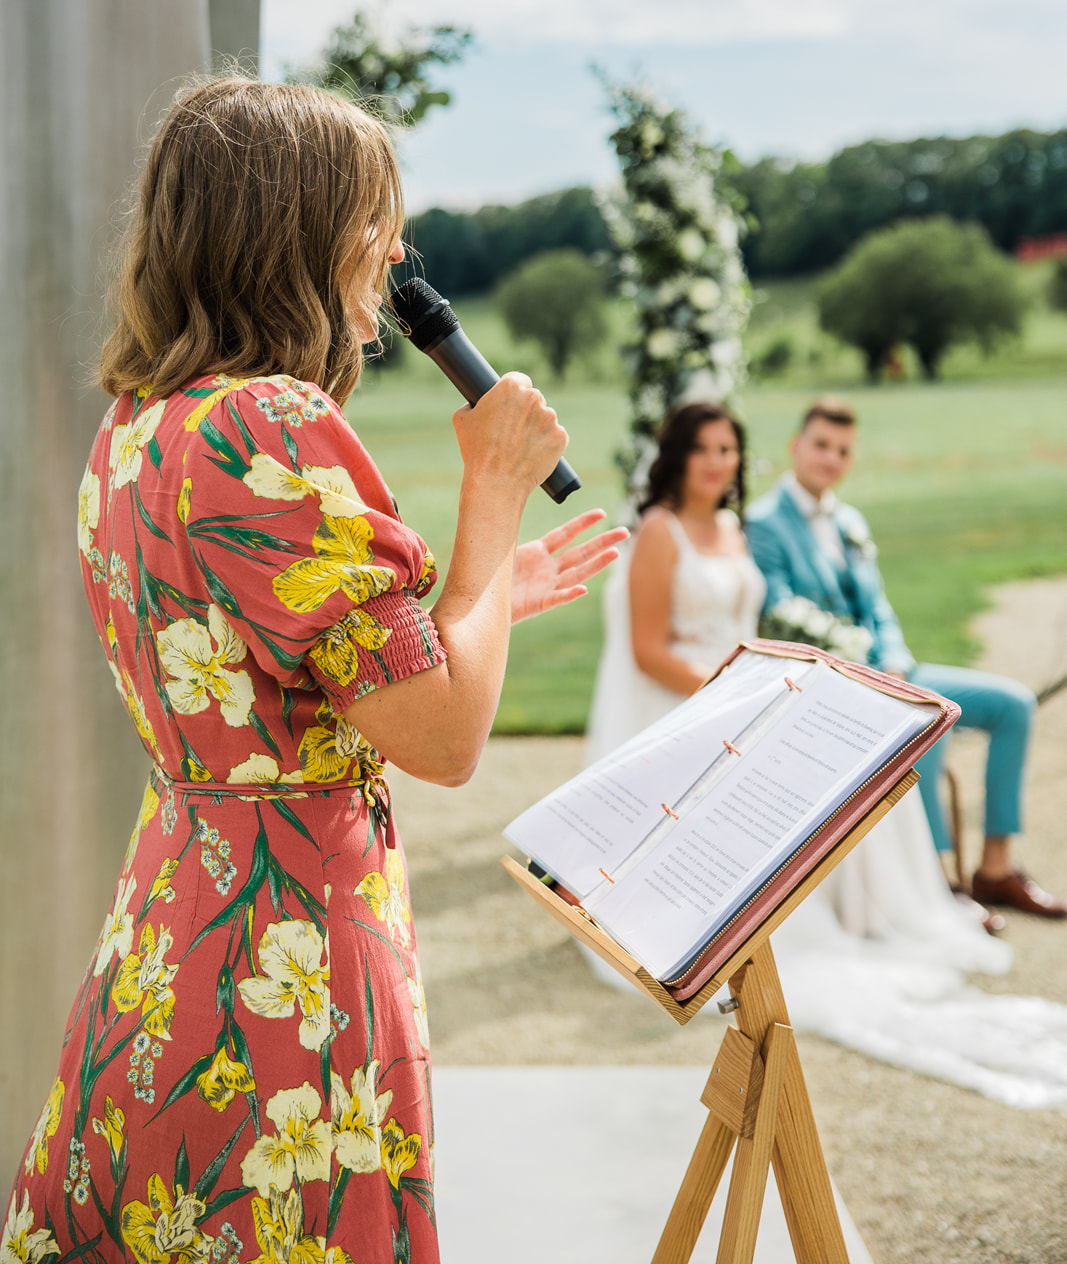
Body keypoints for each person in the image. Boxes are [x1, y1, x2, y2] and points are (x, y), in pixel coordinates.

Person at [4, 78, 627, 1264]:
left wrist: (492, 587)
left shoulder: (142, 422)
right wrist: (491, 497)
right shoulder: (271, 425)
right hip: (289, 941)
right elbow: (441, 740)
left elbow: (273, 662)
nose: (394, 253)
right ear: (293, 230)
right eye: (371, 218)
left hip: (173, 921)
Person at [745, 394, 1066, 918]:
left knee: (1013, 706)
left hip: (894, 671)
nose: (831, 459)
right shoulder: (763, 524)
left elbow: (879, 608)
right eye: (821, 445)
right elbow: (779, 612)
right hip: (833, 687)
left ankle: (994, 870)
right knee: (926, 716)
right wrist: (869, 669)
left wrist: (893, 659)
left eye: (843, 450)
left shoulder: (850, 519)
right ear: (796, 447)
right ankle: (941, 883)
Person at [584, 403, 764, 766]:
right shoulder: (659, 530)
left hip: (739, 698)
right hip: (680, 705)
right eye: (700, 448)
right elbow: (647, 651)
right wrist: (726, 691)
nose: (714, 461)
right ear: (679, 456)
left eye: (725, 450)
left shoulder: (731, 526)